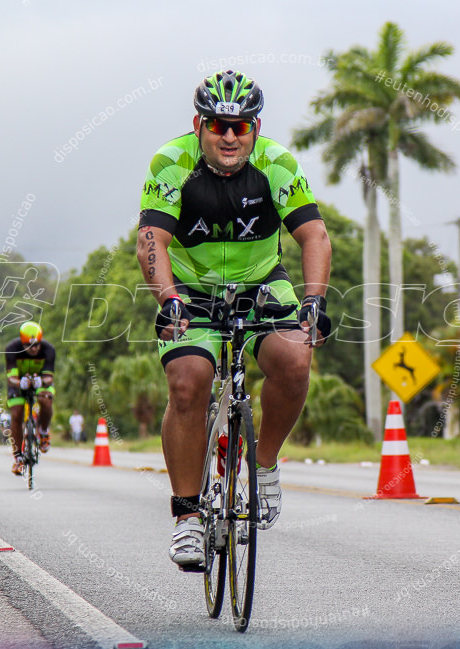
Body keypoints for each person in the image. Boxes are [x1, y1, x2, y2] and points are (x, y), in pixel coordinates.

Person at [136, 70, 331, 570]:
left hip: (261, 282)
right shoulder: (171, 162)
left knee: (293, 357)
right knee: (188, 381)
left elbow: (314, 236)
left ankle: (263, 466)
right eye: (218, 126)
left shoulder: (276, 163)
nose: (229, 137)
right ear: (198, 124)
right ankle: (186, 517)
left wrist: (312, 301)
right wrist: (170, 299)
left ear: (255, 128)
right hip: (193, 290)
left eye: (239, 127)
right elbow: (150, 243)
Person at [4, 321, 56, 476]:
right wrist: (21, 382)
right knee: (16, 414)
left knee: (46, 399)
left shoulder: (48, 350)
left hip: (40, 380)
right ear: (22, 342)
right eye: (30, 345)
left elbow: (48, 377)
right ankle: (18, 458)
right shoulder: (12, 349)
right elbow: (11, 378)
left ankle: (43, 430)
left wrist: (42, 381)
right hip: (18, 383)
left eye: (37, 345)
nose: (34, 349)